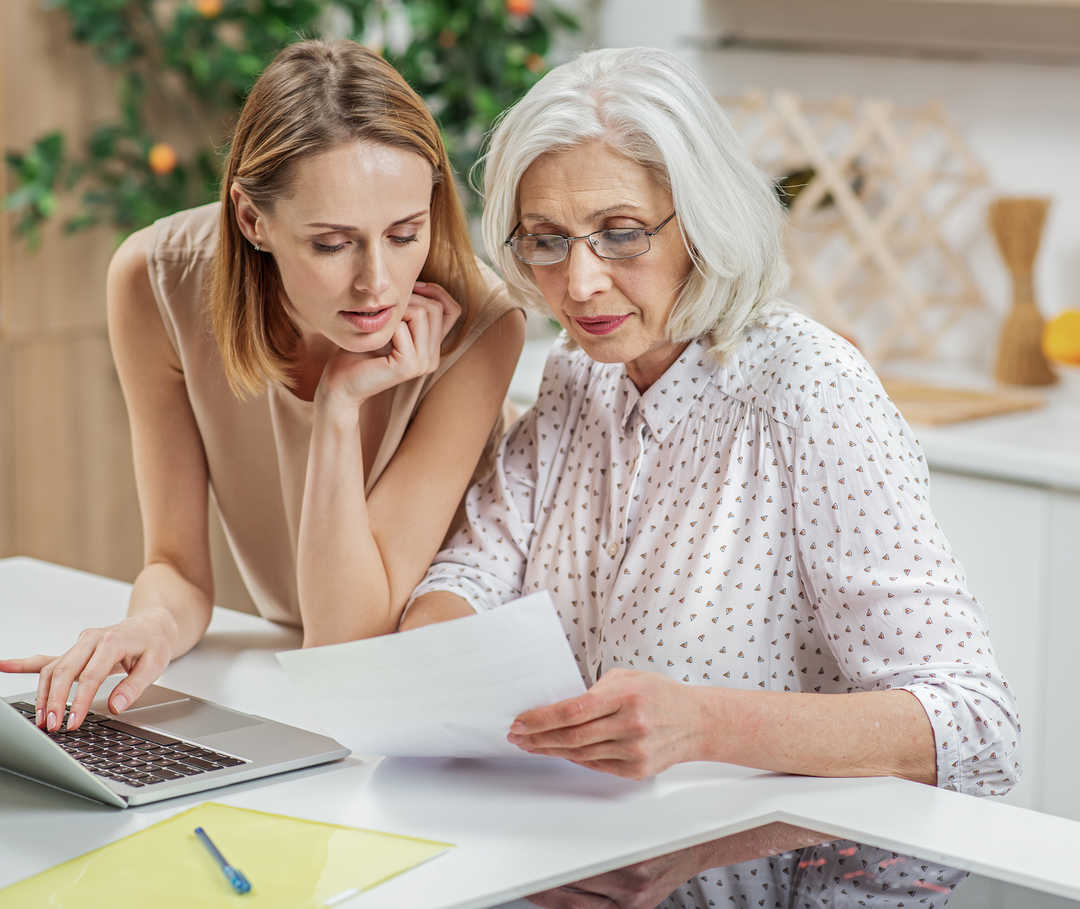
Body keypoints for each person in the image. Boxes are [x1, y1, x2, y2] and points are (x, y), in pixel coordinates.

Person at [402, 47, 1020, 908]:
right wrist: (425, 668)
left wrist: (705, 723)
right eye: (545, 241)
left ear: (702, 220)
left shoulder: (810, 390)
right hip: (585, 864)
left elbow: (976, 726)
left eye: (622, 232)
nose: (578, 283)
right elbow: (473, 569)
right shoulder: (579, 373)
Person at [0, 39, 524, 735]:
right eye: (332, 244)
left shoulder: (480, 326)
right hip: (303, 683)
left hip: (436, 702)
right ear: (252, 219)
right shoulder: (157, 284)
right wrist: (150, 623)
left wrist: (339, 407)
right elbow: (177, 566)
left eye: (404, 233)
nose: (377, 282)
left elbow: (348, 646)